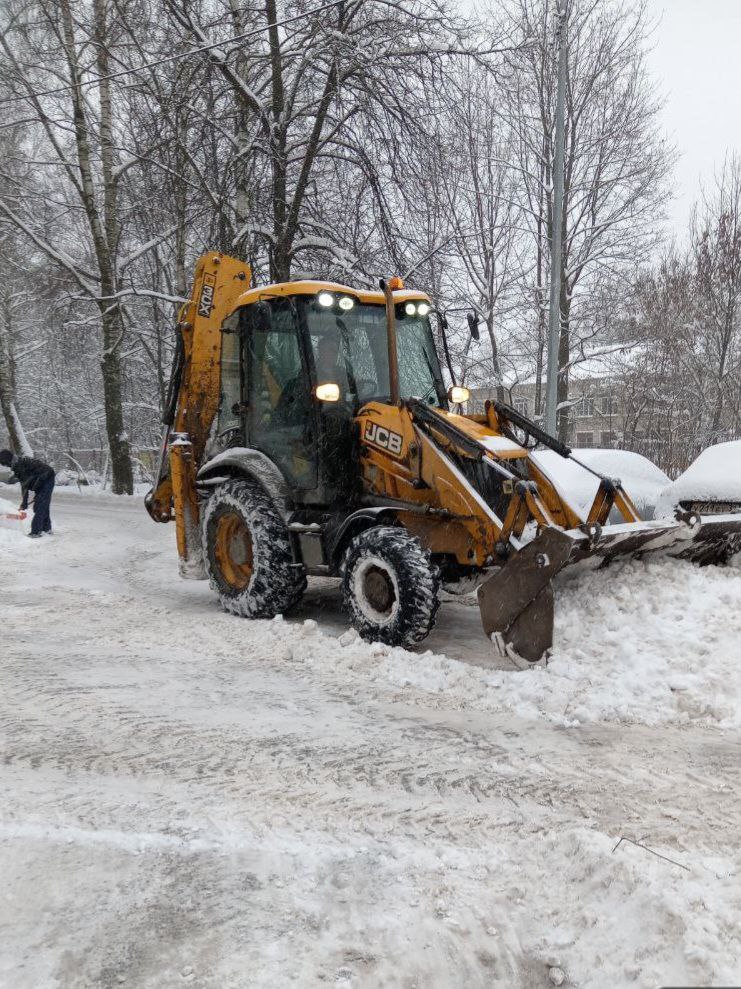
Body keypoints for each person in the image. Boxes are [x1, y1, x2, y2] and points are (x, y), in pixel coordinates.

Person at [0, 449, 55, 538]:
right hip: (40, 481)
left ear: (7, 459)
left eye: (4, 463)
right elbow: (24, 484)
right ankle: (47, 529)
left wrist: (25, 502)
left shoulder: (20, 465)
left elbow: (25, 484)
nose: (5, 465)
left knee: (39, 506)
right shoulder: (16, 465)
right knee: (43, 505)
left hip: (47, 477)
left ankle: (36, 532)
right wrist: (24, 502)